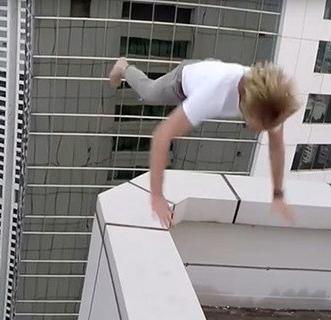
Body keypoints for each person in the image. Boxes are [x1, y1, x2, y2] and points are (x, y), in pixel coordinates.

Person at [108, 57, 299, 227]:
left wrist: (278, 194)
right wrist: (157, 197)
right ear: (243, 106)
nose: (262, 131)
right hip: (182, 81)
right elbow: (161, 137)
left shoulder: (268, 100)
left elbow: (276, 147)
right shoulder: (212, 95)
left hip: (213, 69)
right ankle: (124, 66)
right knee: (150, 92)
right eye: (257, 127)